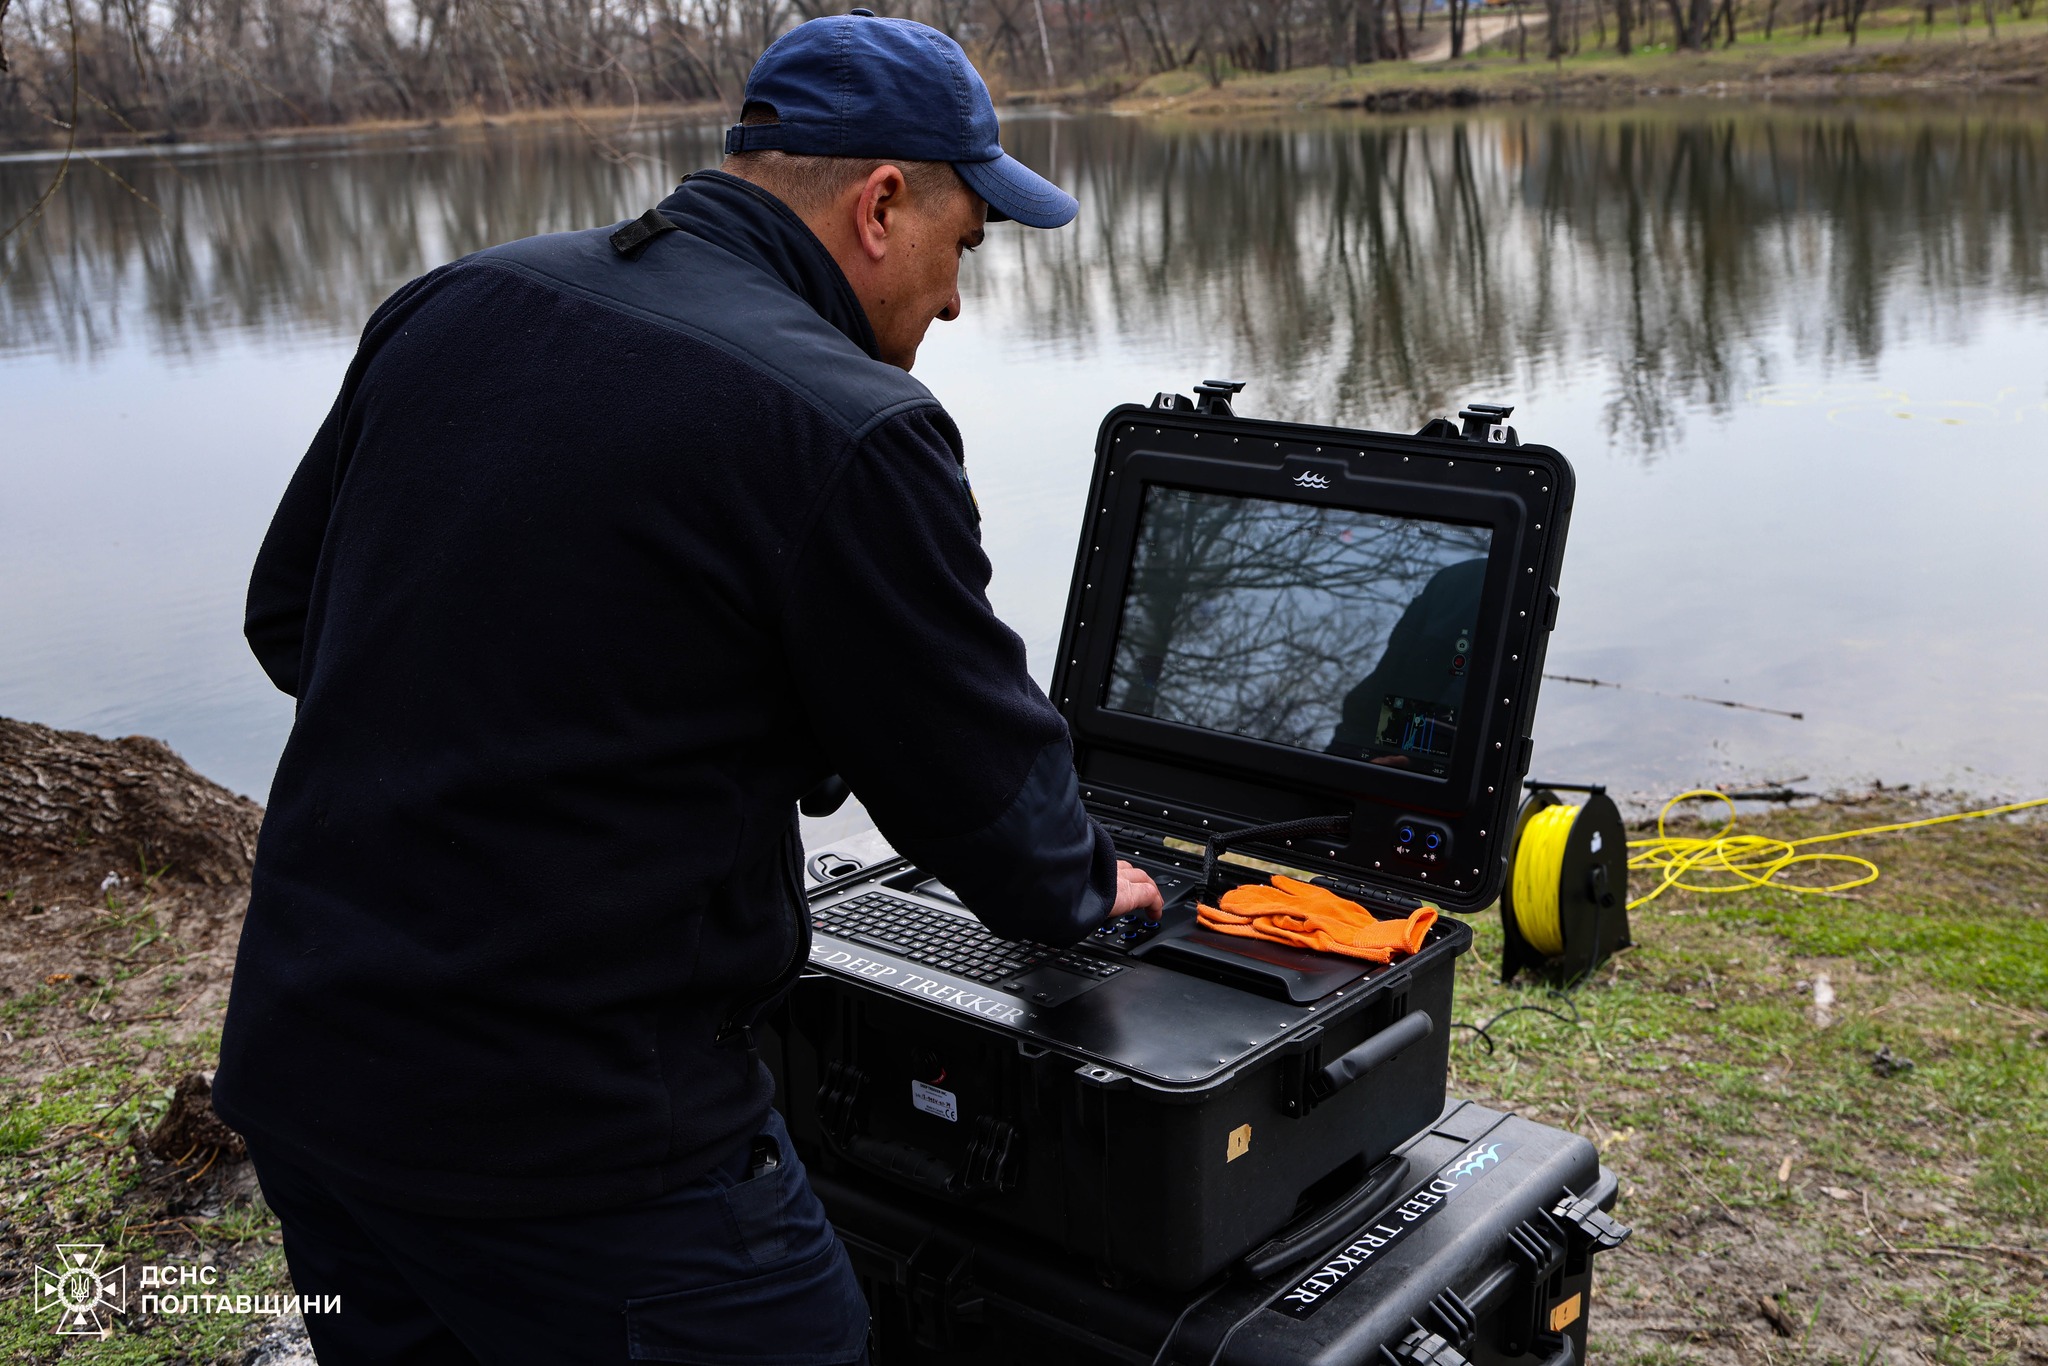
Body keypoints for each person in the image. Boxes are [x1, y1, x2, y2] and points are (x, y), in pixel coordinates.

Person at [213, 12, 1164, 1363]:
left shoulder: (458, 299)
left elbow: (293, 622)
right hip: (588, 1146)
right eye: (966, 247)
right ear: (883, 205)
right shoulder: (848, 425)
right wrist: (1088, 890)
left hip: (313, 1076)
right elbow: (981, 791)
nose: (956, 299)